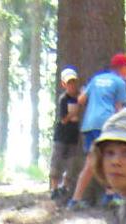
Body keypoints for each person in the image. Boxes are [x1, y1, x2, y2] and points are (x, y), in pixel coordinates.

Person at [66, 53, 126, 210]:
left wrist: (85, 91)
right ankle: (111, 196)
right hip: (106, 123)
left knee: (92, 162)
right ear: (122, 68)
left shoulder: (96, 79)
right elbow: (118, 109)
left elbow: (81, 100)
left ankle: (77, 200)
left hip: (89, 125)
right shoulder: (120, 82)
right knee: (110, 159)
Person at [49, 67, 84, 200]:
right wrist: (75, 110)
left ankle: (65, 186)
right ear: (64, 84)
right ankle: (54, 188)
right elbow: (63, 119)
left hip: (73, 136)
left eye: (74, 82)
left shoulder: (79, 97)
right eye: (69, 83)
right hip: (61, 136)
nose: (72, 85)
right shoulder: (63, 99)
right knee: (57, 161)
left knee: (71, 163)